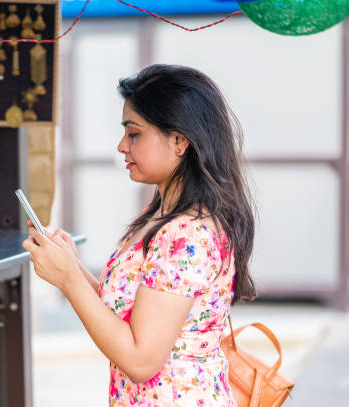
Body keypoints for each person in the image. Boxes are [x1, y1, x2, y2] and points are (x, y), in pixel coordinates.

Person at [22, 64, 256, 406]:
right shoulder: (164, 216)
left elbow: (141, 360)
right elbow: (127, 316)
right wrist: (71, 268)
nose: (121, 146)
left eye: (134, 134)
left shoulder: (185, 233)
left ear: (179, 140)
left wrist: (70, 279)